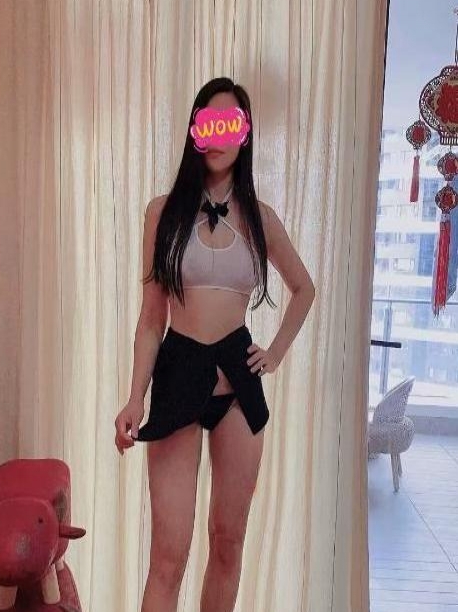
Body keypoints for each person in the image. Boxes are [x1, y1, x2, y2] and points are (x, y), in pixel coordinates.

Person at [114, 77, 315, 612]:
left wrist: (275, 353)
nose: (220, 135)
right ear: (195, 131)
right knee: (169, 553)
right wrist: (134, 397)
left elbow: (304, 289)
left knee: (228, 541)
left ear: (244, 135)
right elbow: (151, 317)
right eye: (211, 122)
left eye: (231, 124)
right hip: (179, 369)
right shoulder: (162, 212)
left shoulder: (261, 218)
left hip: (237, 379)